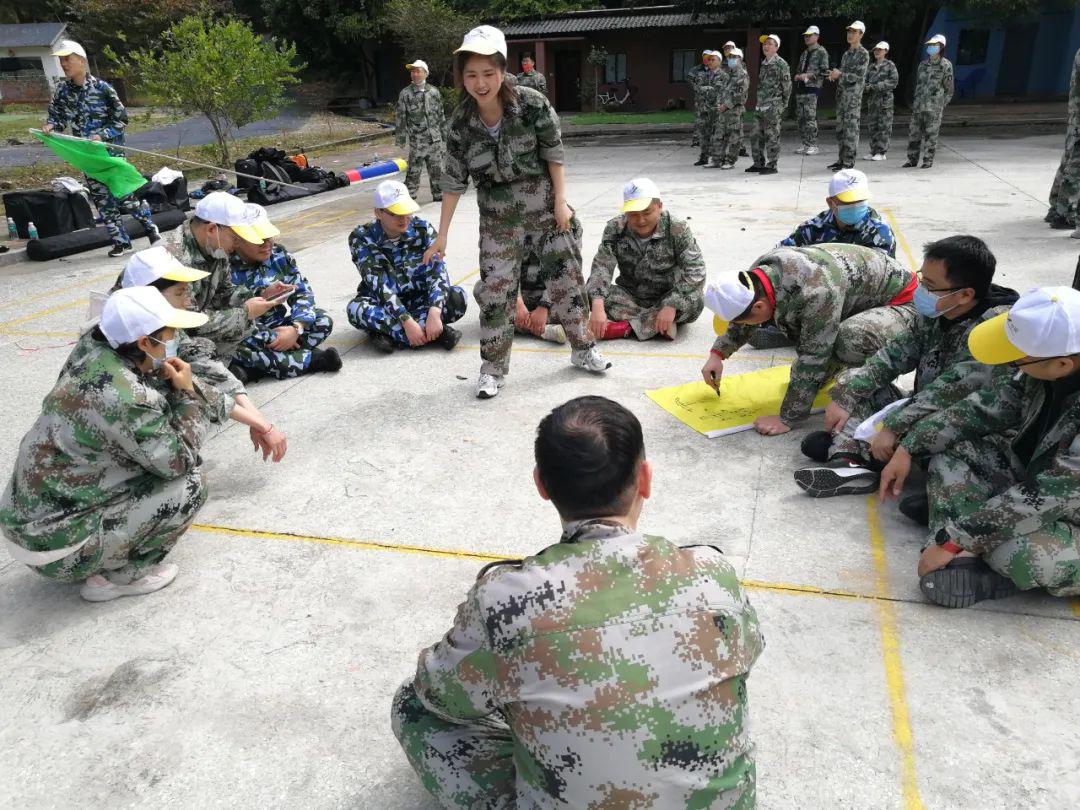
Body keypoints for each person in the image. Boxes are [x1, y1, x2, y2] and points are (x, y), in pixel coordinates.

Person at [391, 395, 763, 807]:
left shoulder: (504, 601)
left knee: (413, 706)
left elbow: (438, 694)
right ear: (645, 479)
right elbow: (748, 652)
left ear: (541, 485)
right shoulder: (713, 575)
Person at [422, 25, 610, 399]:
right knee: (496, 293)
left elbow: (553, 153)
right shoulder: (459, 123)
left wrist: (561, 201)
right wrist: (441, 233)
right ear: (462, 76)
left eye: (488, 73)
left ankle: (584, 349)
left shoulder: (532, 104)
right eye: (471, 75)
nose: (480, 83)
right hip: (498, 220)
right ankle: (492, 370)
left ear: (503, 70)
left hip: (544, 208)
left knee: (567, 283)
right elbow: (453, 181)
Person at [0, 287, 215, 602]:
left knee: (147, 466)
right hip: (55, 549)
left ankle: (96, 549)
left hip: (30, 527)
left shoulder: (95, 358)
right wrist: (187, 396)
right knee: (190, 485)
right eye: (170, 333)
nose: (175, 338)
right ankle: (120, 579)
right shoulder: (126, 396)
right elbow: (179, 460)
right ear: (144, 342)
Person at [888, 287, 1080, 608]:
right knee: (956, 454)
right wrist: (908, 444)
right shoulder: (1044, 370)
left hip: (1061, 502)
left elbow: (1048, 495)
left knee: (1012, 553)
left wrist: (957, 539)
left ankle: (975, 560)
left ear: (1061, 364)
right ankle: (961, 551)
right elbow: (983, 409)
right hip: (1041, 482)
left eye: (1017, 356)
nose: (1010, 363)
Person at [794, 235, 1017, 498]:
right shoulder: (938, 313)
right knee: (858, 382)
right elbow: (892, 355)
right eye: (922, 279)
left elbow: (950, 393)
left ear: (965, 294)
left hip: (960, 417)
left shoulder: (993, 331)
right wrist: (848, 394)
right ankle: (850, 459)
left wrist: (894, 426)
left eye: (931, 286)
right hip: (923, 404)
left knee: (947, 449)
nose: (921, 290)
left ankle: (867, 454)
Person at [701, 243, 918, 436]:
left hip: (905, 304)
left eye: (748, 322)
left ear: (759, 306)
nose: (747, 326)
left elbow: (814, 356)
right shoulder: (758, 277)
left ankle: (875, 388)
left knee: (849, 340)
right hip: (860, 300)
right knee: (805, 379)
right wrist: (717, 355)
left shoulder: (816, 292)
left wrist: (788, 418)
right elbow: (743, 314)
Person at [42, 39, 159, 258]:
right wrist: (50, 126)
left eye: (68, 59)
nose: (64, 64)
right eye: (61, 60)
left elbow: (121, 119)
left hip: (109, 152)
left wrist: (102, 135)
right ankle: (120, 241)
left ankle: (149, 226)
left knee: (123, 196)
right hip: (87, 155)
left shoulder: (102, 88)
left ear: (81, 61)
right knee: (102, 199)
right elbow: (56, 117)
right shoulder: (63, 92)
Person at [347, 180, 466, 353]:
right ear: (378, 213)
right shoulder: (361, 238)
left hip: (420, 299)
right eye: (396, 213)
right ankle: (429, 334)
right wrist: (406, 321)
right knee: (355, 309)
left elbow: (437, 273)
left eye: (406, 211)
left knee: (457, 298)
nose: (404, 218)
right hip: (384, 303)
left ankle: (389, 334)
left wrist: (434, 310)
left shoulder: (423, 229)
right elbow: (379, 286)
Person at [176, 192, 289, 364]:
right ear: (212, 229)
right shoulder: (175, 260)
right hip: (164, 343)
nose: (237, 245)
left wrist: (261, 294)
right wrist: (245, 313)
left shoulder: (215, 247)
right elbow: (188, 324)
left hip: (191, 332)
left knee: (245, 325)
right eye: (236, 238)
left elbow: (224, 294)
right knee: (206, 346)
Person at [229, 205, 340, 380]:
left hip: (282, 326)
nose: (267, 243)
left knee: (323, 320)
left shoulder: (278, 254)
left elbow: (301, 292)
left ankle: (255, 369)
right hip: (250, 331)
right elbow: (229, 314)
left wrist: (297, 328)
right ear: (238, 239)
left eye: (269, 236)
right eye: (258, 238)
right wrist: (261, 295)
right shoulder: (224, 266)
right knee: (238, 345)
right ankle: (312, 360)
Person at [586, 178, 706, 341]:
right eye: (633, 214)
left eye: (647, 212)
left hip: (667, 296)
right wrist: (598, 306)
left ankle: (624, 328)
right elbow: (602, 267)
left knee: (695, 300)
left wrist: (671, 304)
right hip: (631, 297)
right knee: (590, 294)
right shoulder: (615, 228)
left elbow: (696, 271)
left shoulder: (677, 228)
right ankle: (656, 326)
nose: (641, 220)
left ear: (660, 206)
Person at [779, 168, 896, 257]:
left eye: (860, 200)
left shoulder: (880, 232)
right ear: (830, 203)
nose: (855, 206)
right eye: (848, 202)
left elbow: (883, 277)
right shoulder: (812, 230)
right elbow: (780, 254)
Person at [395, 59, 446, 202]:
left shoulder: (434, 92)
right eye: (412, 71)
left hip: (434, 139)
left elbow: (440, 114)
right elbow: (400, 116)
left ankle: (439, 194)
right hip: (417, 140)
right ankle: (410, 196)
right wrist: (400, 138)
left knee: (437, 169)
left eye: (418, 71)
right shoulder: (406, 94)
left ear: (425, 73)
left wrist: (445, 135)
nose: (415, 74)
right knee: (413, 171)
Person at [904, 34, 954, 169]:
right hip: (919, 106)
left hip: (934, 107)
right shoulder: (923, 65)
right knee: (914, 133)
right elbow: (919, 85)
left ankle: (927, 160)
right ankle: (912, 160)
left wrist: (941, 105)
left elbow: (949, 89)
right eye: (930, 45)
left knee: (931, 136)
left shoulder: (945, 65)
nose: (931, 47)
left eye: (934, 45)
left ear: (941, 47)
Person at [747, 34, 791, 176]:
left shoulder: (781, 64)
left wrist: (781, 106)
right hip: (761, 106)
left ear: (777, 47)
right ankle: (758, 163)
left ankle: (772, 165)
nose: (765, 46)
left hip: (773, 106)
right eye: (764, 44)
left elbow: (787, 87)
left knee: (772, 136)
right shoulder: (764, 63)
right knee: (755, 135)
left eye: (770, 44)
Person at [827, 21, 869, 171]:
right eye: (849, 32)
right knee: (841, 130)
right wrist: (835, 74)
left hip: (852, 99)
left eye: (854, 32)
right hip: (842, 97)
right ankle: (841, 159)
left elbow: (858, 76)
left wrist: (841, 74)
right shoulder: (846, 54)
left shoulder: (863, 54)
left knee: (851, 130)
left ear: (861, 35)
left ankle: (849, 162)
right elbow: (843, 74)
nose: (850, 34)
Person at [1046, 47, 1080, 232]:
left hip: (1076, 118)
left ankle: (1056, 206)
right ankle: (1064, 213)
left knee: (1069, 162)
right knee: (1075, 167)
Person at [706, 46, 748, 169]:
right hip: (723, 111)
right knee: (718, 136)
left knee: (734, 137)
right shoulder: (727, 74)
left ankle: (730, 161)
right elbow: (722, 91)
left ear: (740, 59)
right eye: (729, 57)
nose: (731, 59)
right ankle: (716, 160)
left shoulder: (742, 75)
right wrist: (719, 105)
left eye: (734, 57)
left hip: (734, 111)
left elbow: (740, 95)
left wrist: (726, 105)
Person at [793, 25, 830, 156]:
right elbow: (799, 69)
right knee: (801, 118)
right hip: (801, 87)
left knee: (809, 117)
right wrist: (798, 75)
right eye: (806, 36)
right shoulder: (804, 53)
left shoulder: (821, 52)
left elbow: (824, 71)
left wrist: (808, 75)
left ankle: (813, 144)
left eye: (810, 35)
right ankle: (805, 143)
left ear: (817, 36)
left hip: (812, 87)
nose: (807, 38)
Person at [863, 41, 899, 161]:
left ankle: (881, 152)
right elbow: (865, 82)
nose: (877, 52)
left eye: (880, 49)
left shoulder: (890, 65)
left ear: (886, 51)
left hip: (885, 102)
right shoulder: (871, 67)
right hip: (872, 101)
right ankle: (873, 151)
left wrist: (876, 86)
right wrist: (866, 87)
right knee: (873, 126)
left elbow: (893, 82)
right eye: (875, 50)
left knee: (884, 127)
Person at [694, 51, 724, 166]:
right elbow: (697, 88)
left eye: (713, 60)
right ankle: (704, 157)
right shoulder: (703, 75)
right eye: (709, 60)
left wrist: (706, 89)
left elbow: (721, 92)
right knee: (703, 134)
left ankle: (717, 159)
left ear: (719, 61)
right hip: (704, 109)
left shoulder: (724, 76)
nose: (710, 62)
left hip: (717, 110)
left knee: (716, 135)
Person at [688, 50, 713, 149]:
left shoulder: (714, 69)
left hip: (712, 99)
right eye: (705, 56)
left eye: (708, 57)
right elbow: (690, 79)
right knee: (699, 119)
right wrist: (696, 87)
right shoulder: (696, 69)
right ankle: (696, 140)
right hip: (700, 99)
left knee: (711, 119)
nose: (706, 59)